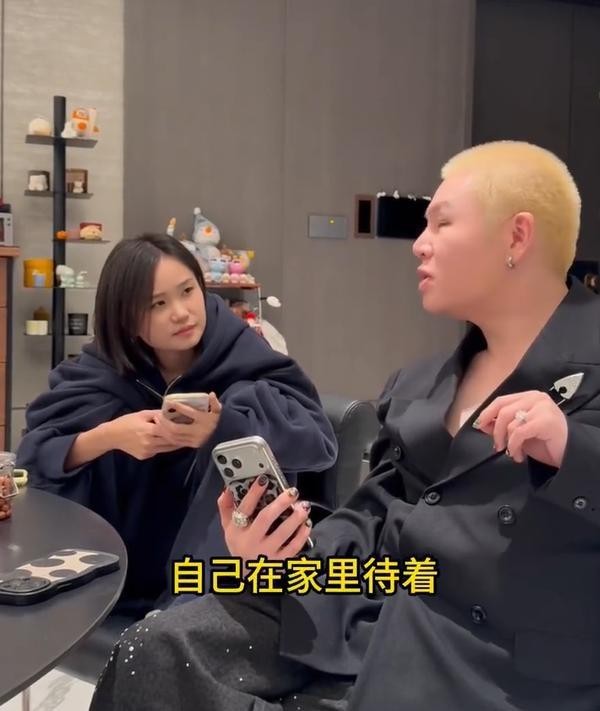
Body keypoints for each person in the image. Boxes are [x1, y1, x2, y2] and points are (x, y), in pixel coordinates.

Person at [90, 140, 600, 710]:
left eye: (441, 223)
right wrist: (283, 551)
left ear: (517, 237)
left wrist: (571, 450)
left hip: (499, 664)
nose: (420, 244)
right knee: (154, 650)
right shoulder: (418, 384)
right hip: (377, 612)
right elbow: (370, 518)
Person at [17, 233, 337, 613]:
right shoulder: (101, 372)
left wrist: (220, 430)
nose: (182, 313)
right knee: (103, 420)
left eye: (187, 291)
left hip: (222, 571)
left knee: (249, 410)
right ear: (125, 317)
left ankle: (186, 613)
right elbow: (34, 458)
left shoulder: (242, 352)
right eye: (158, 303)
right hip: (120, 564)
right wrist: (110, 436)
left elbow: (317, 442)